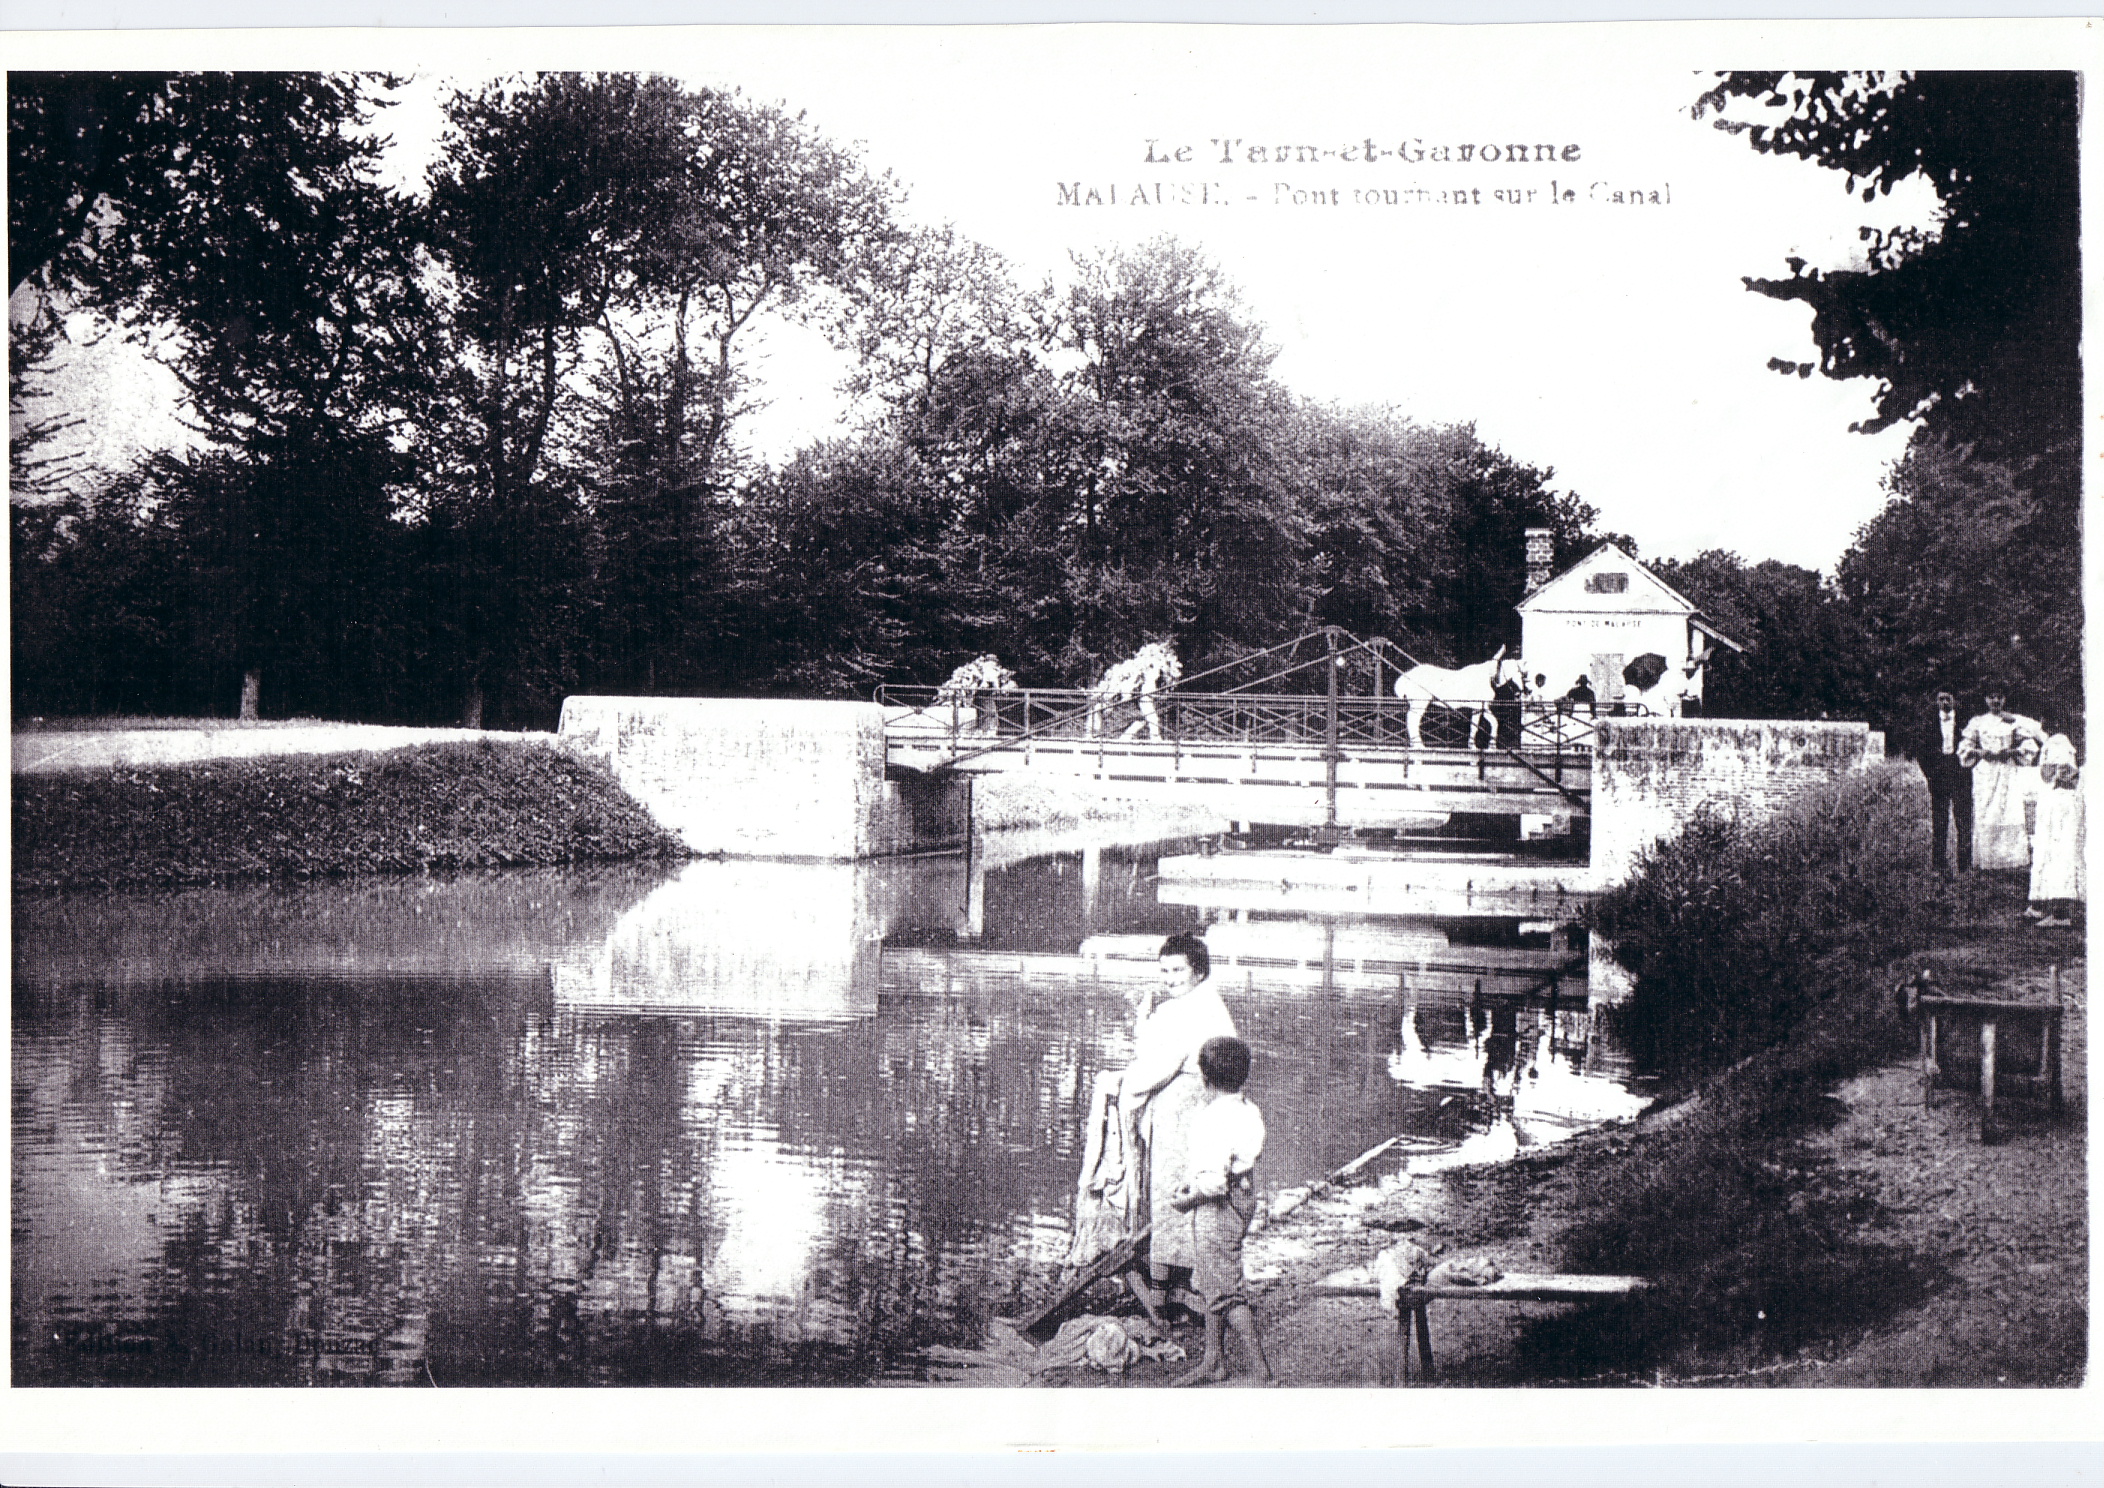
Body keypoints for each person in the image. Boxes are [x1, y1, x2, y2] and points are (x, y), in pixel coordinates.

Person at [1102, 933, 1238, 1318]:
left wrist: (1126, 1085)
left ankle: (1168, 1293)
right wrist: (1147, 1017)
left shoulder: (1187, 1010)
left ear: (1198, 971)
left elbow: (1155, 1064)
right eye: (1164, 971)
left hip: (1186, 1106)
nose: (1170, 978)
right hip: (1204, 1101)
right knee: (1192, 1191)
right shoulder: (1204, 1002)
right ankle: (1184, 1283)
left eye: (1178, 970)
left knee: (1170, 1191)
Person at [1167, 1036, 1274, 1387]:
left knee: (1226, 1292)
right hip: (1244, 1198)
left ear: (1204, 1077)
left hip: (1218, 1206)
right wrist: (1195, 1180)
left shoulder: (1210, 1119)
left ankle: (1261, 1371)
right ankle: (1214, 1360)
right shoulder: (1248, 1109)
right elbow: (1237, 1161)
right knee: (1214, 1280)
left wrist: (1187, 1200)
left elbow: (1213, 1182)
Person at [1959, 691, 2048, 870]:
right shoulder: (1978, 722)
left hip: (2007, 771)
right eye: (1991, 697)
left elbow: (2029, 744)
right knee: (1987, 811)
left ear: (2004, 699)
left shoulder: (2012, 721)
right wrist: (1979, 752)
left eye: (1999, 697)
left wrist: (2012, 752)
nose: (1995, 701)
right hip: (1986, 772)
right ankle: (1987, 860)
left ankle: (2010, 859)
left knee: (2008, 810)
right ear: (1986, 699)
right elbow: (1965, 746)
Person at [2027, 734, 2084, 928]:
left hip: (2062, 805)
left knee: (2060, 856)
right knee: (2045, 854)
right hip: (2053, 803)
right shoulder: (2054, 742)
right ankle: (2041, 905)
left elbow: (2054, 775)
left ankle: (2061, 914)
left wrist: (2055, 772)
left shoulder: (2060, 742)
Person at [1916, 689, 1974, 874]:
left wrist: (1968, 769)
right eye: (1940, 699)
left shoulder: (1966, 723)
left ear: (1954, 700)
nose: (1944, 702)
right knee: (1939, 822)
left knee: (1963, 822)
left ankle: (1964, 867)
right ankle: (1938, 865)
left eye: (1948, 698)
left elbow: (1974, 748)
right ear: (1936, 701)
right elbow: (1921, 751)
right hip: (1939, 777)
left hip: (1960, 775)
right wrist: (1931, 775)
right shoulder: (1929, 723)